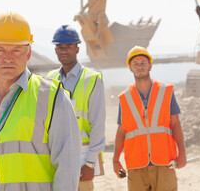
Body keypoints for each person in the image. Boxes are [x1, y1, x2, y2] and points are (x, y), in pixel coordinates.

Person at [0, 11, 81, 191]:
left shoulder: (52, 98)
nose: (8, 58)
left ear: (28, 53)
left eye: (16, 50)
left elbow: (67, 171)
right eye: (0, 50)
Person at [112, 46, 186, 191]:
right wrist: (115, 160)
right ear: (130, 68)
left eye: (143, 62)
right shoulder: (124, 98)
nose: (140, 66)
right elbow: (121, 131)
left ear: (150, 65)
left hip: (164, 164)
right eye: (136, 63)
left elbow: (176, 124)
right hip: (136, 166)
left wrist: (182, 152)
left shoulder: (166, 91)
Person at [47, 25, 106, 191]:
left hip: (82, 160)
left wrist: (90, 162)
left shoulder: (92, 79)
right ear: (55, 49)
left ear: (77, 49)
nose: (63, 51)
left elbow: (98, 124)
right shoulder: (50, 79)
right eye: (59, 47)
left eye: (68, 47)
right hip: (56, 158)